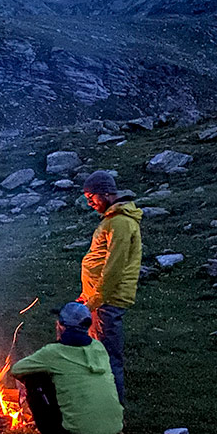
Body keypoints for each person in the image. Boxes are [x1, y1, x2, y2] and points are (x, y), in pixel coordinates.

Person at [11, 303, 123, 434]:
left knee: (34, 378)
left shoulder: (54, 352)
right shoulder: (98, 347)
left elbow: (17, 369)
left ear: (61, 326)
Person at [77, 170, 142, 404]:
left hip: (107, 302)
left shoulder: (121, 223)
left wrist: (94, 301)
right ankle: (99, 403)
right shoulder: (113, 220)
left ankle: (114, 413)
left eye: (92, 197)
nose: (90, 203)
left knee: (107, 357)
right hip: (98, 298)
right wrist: (86, 296)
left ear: (105, 193)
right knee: (96, 353)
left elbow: (113, 267)